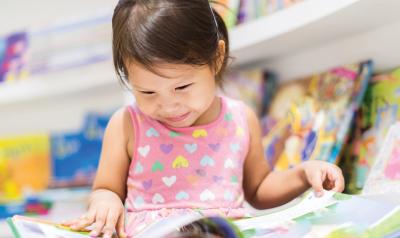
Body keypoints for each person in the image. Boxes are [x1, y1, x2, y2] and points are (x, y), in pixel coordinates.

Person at [64, 0, 344, 237]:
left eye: (182, 87)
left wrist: (303, 173)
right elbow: (105, 189)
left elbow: (258, 190)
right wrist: (105, 202)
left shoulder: (240, 120)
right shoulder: (127, 125)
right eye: (147, 91)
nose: (168, 104)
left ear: (217, 57)